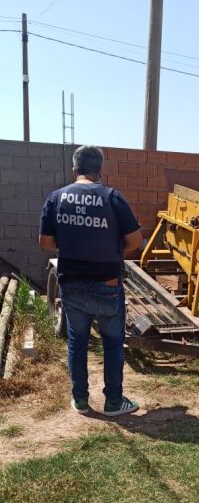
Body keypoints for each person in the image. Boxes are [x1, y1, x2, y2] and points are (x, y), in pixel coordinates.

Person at [39, 144, 142, 416]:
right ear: (100, 169)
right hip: (107, 285)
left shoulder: (56, 197)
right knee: (111, 343)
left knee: (77, 341)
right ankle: (113, 402)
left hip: (71, 284)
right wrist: (109, 245)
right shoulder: (113, 198)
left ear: (74, 169)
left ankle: (81, 401)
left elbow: (46, 243)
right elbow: (135, 241)